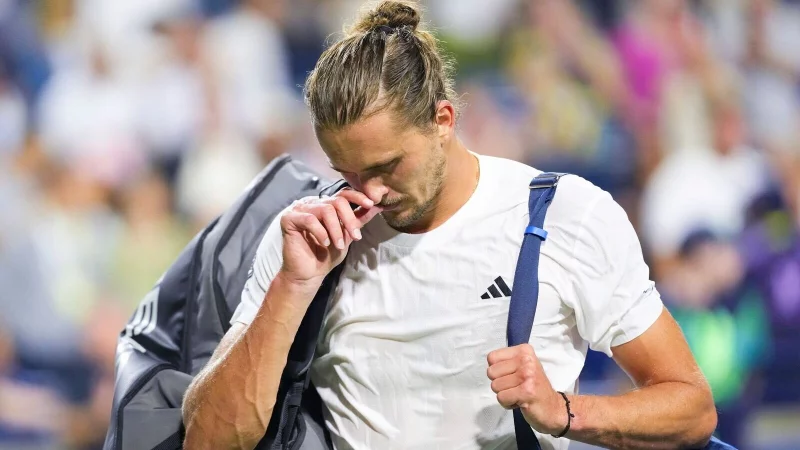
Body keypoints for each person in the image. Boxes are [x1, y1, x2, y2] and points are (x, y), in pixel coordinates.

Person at [181, 2, 717, 449]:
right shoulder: (305, 239)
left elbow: (691, 408)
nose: (368, 193)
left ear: (444, 120)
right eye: (346, 172)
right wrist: (293, 288)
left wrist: (565, 412)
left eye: (387, 166)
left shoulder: (569, 216)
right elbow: (208, 440)